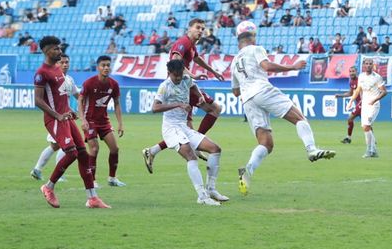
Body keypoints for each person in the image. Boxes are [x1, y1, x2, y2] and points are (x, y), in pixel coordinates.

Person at [232, 21, 335, 196]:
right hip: (262, 89)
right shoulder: (256, 49)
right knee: (300, 118)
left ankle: (248, 170)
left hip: (247, 100)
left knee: (266, 144)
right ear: (252, 36)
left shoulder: (234, 61)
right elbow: (267, 66)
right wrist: (292, 66)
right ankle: (311, 150)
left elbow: (235, 91)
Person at [34, 36, 109, 209]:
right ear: (46, 50)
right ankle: (48, 187)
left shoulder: (58, 70)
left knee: (83, 154)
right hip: (54, 120)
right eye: (55, 49)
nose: (59, 52)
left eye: (59, 48)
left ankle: (92, 198)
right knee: (71, 153)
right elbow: (38, 101)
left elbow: (60, 95)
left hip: (65, 118)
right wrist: (57, 115)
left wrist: (69, 111)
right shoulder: (41, 73)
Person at [142, 19, 225, 174]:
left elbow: (197, 58)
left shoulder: (191, 45)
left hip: (184, 85)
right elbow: (175, 61)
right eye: (197, 28)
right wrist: (193, 76)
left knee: (183, 129)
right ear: (189, 29)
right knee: (215, 109)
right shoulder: (183, 42)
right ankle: (197, 142)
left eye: (202, 28)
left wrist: (213, 72)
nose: (200, 31)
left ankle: (152, 151)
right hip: (180, 86)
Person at [151, 59, 226, 206]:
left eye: (180, 74)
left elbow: (193, 86)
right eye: (175, 75)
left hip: (183, 127)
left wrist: (200, 96)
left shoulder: (186, 78)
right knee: (191, 157)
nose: (178, 78)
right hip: (170, 128)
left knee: (215, 149)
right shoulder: (164, 86)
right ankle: (202, 197)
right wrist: (178, 104)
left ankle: (211, 189)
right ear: (169, 73)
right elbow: (155, 108)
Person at [78, 56, 126, 188]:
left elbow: (116, 104)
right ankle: (92, 181)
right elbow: (80, 101)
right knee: (94, 149)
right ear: (97, 67)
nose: (106, 68)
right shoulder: (89, 83)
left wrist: (120, 123)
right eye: (103, 65)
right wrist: (82, 120)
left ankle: (112, 178)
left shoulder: (113, 84)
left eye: (108, 65)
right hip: (90, 121)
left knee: (115, 149)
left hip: (104, 121)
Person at [30, 55, 80, 182]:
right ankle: (58, 174)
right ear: (56, 64)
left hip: (65, 117)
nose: (65, 65)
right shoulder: (51, 78)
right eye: (61, 62)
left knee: (56, 145)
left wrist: (76, 109)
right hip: (56, 118)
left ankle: (37, 169)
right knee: (65, 146)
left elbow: (77, 95)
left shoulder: (69, 79)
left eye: (67, 62)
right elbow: (41, 98)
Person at [350, 58, 387, 158]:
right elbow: (358, 90)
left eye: (370, 64)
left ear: (373, 65)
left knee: (366, 126)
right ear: (363, 65)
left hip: (374, 105)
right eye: (366, 64)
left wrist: (374, 100)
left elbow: (384, 92)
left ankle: (369, 150)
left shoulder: (377, 77)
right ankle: (374, 151)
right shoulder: (361, 76)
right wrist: (351, 100)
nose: (368, 65)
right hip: (365, 105)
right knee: (365, 127)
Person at [335, 66, 361, 144]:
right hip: (359, 104)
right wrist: (340, 95)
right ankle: (348, 138)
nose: (352, 73)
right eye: (350, 71)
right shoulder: (351, 82)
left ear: (356, 72)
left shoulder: (360, 81)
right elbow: (350, 93)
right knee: (365, 123)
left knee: (351, 119)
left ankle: (349, 138)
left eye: (353, 71)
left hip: (363, 103)